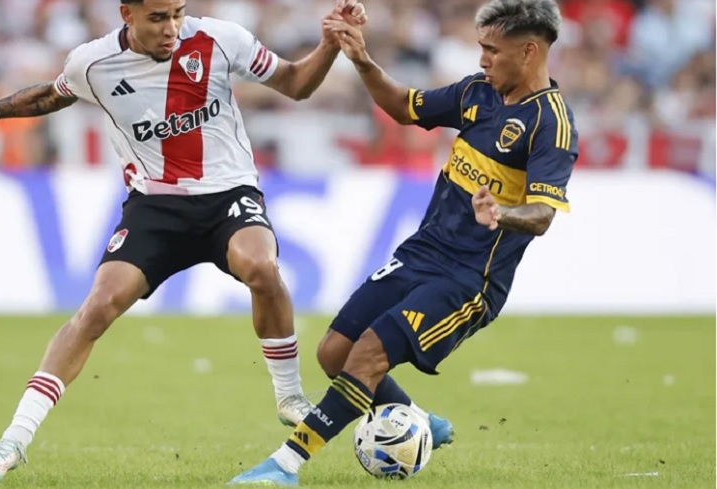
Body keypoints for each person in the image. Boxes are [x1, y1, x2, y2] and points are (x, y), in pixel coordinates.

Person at [0, 0, 367, 483]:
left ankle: (288, 397)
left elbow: (296, 84)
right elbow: (48, 97)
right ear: (127, 15)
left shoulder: (223, 39)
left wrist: (329, 45)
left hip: (228, 193)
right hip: (155, 207)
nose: (172, 28)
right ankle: (14, 437)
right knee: (97, 306)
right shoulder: (92, 63)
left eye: (178, 13)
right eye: (158, 17)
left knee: (261, 267)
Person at [230, 0, 578, 485]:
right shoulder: (479, 92)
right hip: (422, 251)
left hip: (469, 278)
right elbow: (404, 107)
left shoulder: (551, 125)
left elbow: (542, 213)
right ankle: (422, 420)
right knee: (333, 352)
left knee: (368, 354)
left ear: (529, 51)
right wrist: (361, 59)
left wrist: (502, 214)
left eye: (491, 50)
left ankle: (285, 465)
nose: (481, 60)